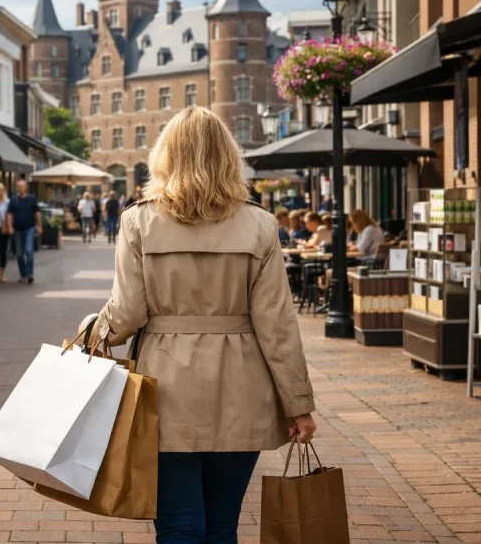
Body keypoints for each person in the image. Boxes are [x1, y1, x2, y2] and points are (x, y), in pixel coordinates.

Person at [83, 107, 315, 543]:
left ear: (165, 156)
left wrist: (95, 330)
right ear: (229, 157)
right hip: (242, 387)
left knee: (179, 525)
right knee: (223, 525)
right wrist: (298, 403)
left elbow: (128, 313)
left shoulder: (138, 221)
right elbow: (277, 325)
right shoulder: (261, 225)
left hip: (165, 391)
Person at [6, 178, 41, 284]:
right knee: (19, 253)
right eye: (19, 186)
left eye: (22, 186)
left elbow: (37, 212)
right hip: (17, 228)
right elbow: (9, 214)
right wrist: (9, 226)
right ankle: (23, 274)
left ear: (26, 187)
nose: (20, 188)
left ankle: (30, 274)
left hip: (29, 228)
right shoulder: (13, 199)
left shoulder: (32, 198)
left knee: (29, 250)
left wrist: (39, 225)